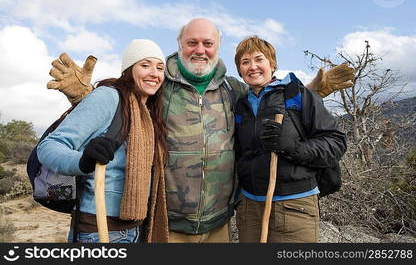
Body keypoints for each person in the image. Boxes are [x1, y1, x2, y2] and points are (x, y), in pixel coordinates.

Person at [46, 18, 354, 243]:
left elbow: (267, 102)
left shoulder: (232, 89)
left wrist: (310, 92)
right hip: (166, 222)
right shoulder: (159, 85)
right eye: (192, 43)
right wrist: (82, 97)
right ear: (180, 46)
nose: (200, 50)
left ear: (217, 48)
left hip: (219, 222)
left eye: (208, 44)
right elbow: (125, 104)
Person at [37, 39, 169, 243]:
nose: (154, 73)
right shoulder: (108, 98)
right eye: (145, 65)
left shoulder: (149, 112)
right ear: (129, 69)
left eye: (160, 68)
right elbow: (49, 147)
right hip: (99, 231)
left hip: (136, 229)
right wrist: (83, 160)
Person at [233, 36, 347, 242]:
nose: (253, 67)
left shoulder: (297, 95)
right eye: (245, 62)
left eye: (259, 59)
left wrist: (293, 147)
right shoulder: (240, 105)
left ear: (272, 64)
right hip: (250, 207)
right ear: (239, 70)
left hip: (295, 206)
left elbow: (335, 142)